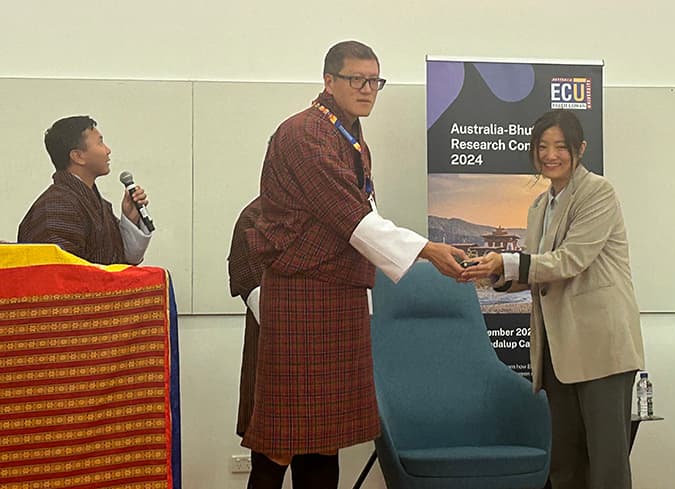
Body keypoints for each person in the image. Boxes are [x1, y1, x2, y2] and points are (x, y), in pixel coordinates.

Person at [242, 40, 467, 489]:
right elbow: (351, 216)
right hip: (303, 291)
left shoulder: (349, 132)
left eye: (375, 81)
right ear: (329, 81)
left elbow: (365, 210)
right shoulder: (305, 133)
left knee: (328, 436)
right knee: (283, 436)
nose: (367, 89)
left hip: (340, 290)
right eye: (356, 80)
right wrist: (427, 250)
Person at [461, 109, 645, 489]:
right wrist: (491, 271)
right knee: (564, 465)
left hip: (600, 348)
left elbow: (569, 261)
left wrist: (507, 261)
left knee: (607, 466)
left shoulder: (598, 192)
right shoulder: (539, 206)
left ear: (580, 148)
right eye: (542, 146)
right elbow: (537, 270)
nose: (550, 155)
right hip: (557, 352)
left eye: (561, 146)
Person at [18, 115, 152, 265]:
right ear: (78, 156)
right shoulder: (57, 206)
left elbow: (120, 260)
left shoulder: (95, 204)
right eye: (100, 142)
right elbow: (63, 274)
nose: (108, 150)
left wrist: (130, 219)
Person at [228, 197, 265, 439]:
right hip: (274, 349)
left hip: (328, 349)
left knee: (322, 452)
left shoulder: (328, 213)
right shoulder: (254, 218)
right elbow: (263, 306)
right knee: (271, 450)